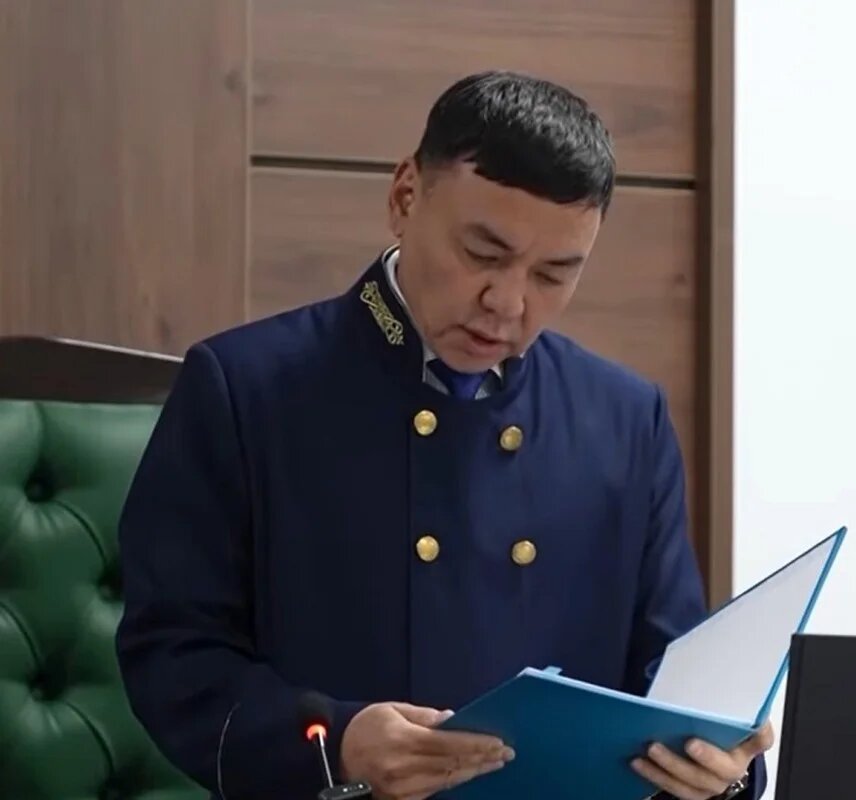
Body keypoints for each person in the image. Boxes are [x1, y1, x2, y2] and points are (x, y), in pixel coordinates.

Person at [115, 70, 773, 800]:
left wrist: (721, 770)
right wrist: (337, 740)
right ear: (404, 197)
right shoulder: (243, 388)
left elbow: (672, 681)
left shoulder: (625, 419)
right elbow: (174, 656)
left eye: (554, 274)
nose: (508, 303)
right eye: (483, 255)